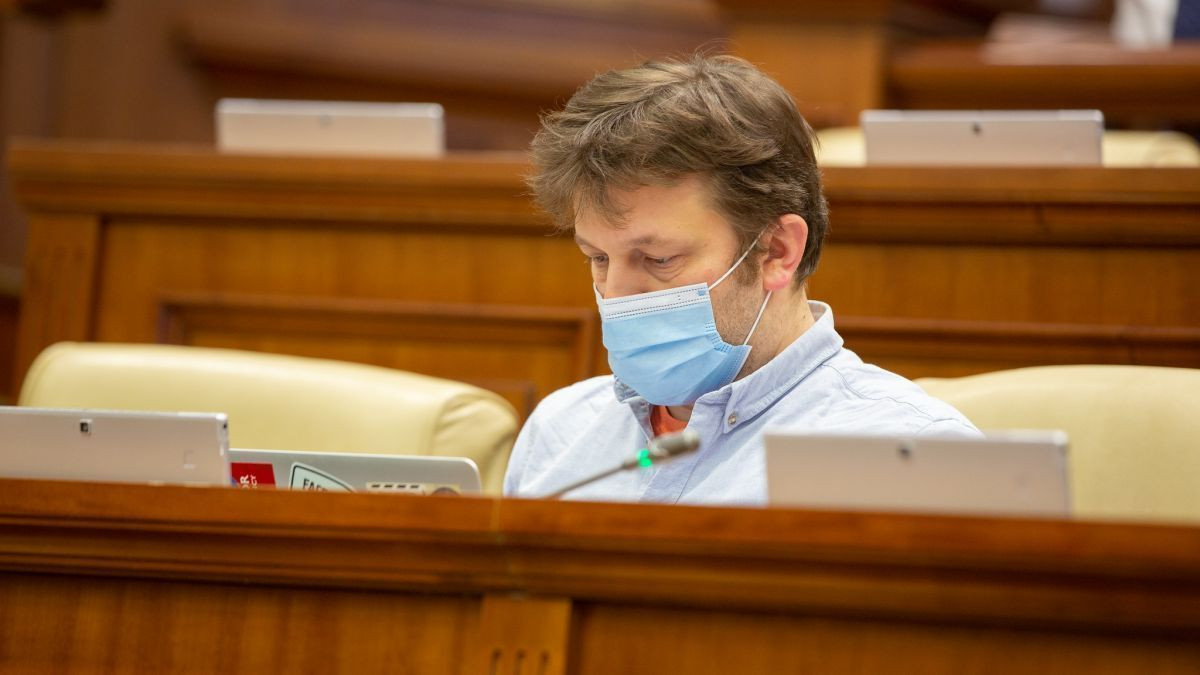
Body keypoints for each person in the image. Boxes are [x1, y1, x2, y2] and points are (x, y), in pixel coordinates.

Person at [503, 54, 980, 504]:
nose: (616, 296)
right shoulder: (561, 429)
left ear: (777, 251)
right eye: (598, 258)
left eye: (659, 259)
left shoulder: (913, 455)